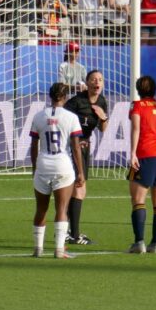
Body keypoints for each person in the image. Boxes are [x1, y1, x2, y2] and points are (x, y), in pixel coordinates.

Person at [29, 82, 85, 259]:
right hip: (62, 165)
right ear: (65, 97)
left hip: (43, 165)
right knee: (61, 209)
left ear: (50, 96)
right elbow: (76, 148)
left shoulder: (38, 116)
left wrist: (34, 167)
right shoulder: (71, 117)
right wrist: (81, 172)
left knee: (41, 209)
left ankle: (38, 249)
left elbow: (33, 145)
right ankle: (59, 250)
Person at [62, 69, 108, 245]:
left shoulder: (102, 102)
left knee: (78, 189)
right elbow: (62, 122)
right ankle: (72, 234)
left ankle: (69, 232)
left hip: (84, 148)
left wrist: (103, 118)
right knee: (78, 188)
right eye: (94, 79)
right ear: (87, 83)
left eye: (100, 80)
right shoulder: (75, 103)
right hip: (71, 148)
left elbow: (103, 129)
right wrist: (74, 140)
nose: (97, 82)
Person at [127, 75, 156, 255]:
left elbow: (136, 128)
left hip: (146, 154)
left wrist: (133, 153)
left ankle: (139, 242)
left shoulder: (136, 106)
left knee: (138, 200)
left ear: (138, 89)